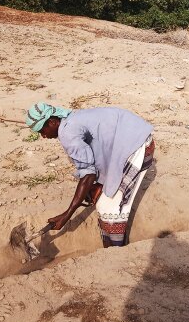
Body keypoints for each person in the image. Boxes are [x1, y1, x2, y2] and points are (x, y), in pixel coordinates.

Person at [25, 102, 155, 247]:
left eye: (42, 131)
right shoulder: (70, 120)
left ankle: (116, 253)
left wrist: (67, 214)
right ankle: (112, 248)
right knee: (104, 198)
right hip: (130, 139)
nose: (43, 136)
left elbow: (88, 175)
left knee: (109, 208)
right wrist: (99, 183)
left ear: (52, 122)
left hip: (137, 146)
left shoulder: (68, 133)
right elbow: (96, 155)